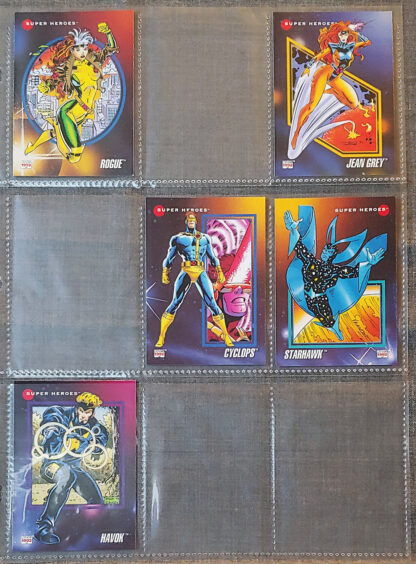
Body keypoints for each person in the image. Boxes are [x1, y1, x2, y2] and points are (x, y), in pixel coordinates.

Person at [284, 210, 384, 340]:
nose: (324, 253)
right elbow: (299, 247)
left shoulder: (335, 271)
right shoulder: (310, 261)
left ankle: (335, 329)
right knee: (324, 318)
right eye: (325, 250)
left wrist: (369, 263)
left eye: (329, 252)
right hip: (308, 298)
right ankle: (331, 326)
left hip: (321, 302)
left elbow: (354, 271)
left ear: (333, 256)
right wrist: (292, 229)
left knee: (329, 322)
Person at [25, 23, 118, 163]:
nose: (82, 52)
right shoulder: (68, 67)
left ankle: (72, 150)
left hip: (86, 107)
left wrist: (109, 33)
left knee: (59, 124)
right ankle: (71, 150)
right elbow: (55, 79)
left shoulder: (94, 60)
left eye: (84, 48)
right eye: (78, 49)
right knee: (60, 121)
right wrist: (47, 86)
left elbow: (110, 48)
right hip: (78, 105)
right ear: (72, 50)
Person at [34, 392, 108, 545]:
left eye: (87, 412)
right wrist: (53, 430)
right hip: (52, 465)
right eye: (81, 411)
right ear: (76, 409)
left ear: (93, 413)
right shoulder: (61, 414)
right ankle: (44, 528)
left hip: (75, 469)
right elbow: (51, 419)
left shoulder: (95, 427)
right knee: (67, 475)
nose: (83, 416)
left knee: (97, 501)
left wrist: (91, 445)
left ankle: (88, 529)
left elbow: (100, 441)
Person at [156, 212, 233, 348]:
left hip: (200, 271)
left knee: (211, 302)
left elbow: (212, 256)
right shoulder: (178, 239)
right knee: (176, 302)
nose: (191, 221)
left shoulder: (204, 238)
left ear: (196, 221)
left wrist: (219, 271)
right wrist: (165, 272)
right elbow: (169, 258)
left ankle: (226, 336)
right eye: (189, 219)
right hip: (186, 270)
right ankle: (161, 337)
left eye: (193, 219)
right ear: (186, 221)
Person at [291, 21, 371, 151]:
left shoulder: (351, 46)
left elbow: (367, 42)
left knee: (354, 104)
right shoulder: (333, 47)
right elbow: (318, 57)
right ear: (338, 36)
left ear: (348, 35)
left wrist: (355, 32)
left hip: (335, 79)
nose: (343, 36)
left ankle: (333, 92)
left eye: (345, 34)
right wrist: (307, 69)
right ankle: (296, 134)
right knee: (311, 106)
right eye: (341, 34)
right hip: (325, 74)